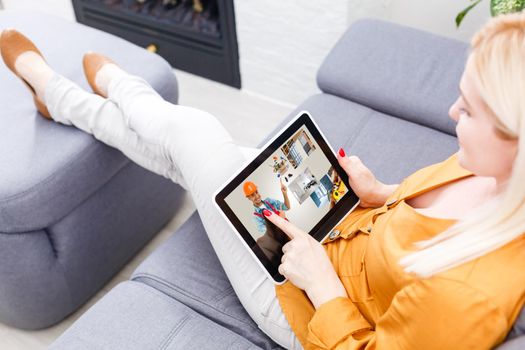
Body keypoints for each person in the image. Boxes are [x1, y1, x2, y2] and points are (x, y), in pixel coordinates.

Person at [0, 12, 523, 349]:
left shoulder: (469, 296)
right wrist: (382, 192)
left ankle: (76, 93)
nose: (453, 111)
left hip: (300, 300)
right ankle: (76, 99)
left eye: (471, 110)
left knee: (196, 132)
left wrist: (321, 282)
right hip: (335, 226)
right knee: (191, 156)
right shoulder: (489, 167)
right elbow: (416, 226)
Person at [243, 180, 291, 264]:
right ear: (248, 198)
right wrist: (280, 219)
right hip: (283, 241)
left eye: (256, 192)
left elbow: (286, 207)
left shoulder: (269, 201)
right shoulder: (256, 217)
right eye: (252, 195)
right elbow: (271, 235)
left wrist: (285, 193)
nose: (257, 196)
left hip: (290, 230)